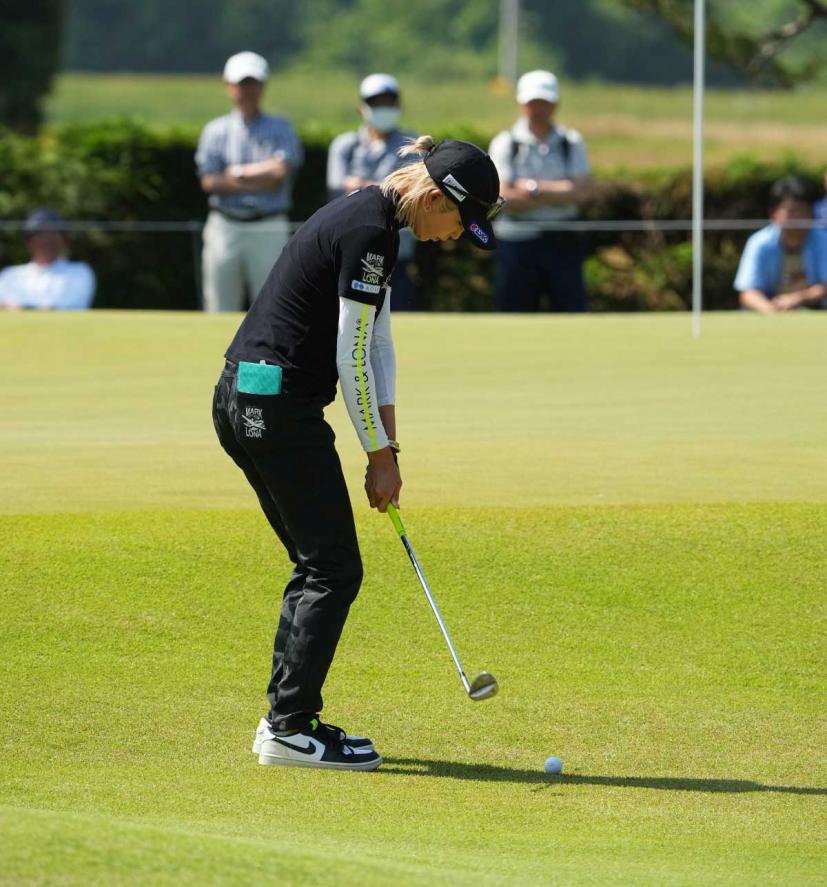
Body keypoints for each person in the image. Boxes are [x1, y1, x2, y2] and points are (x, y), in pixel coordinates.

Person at [212, 137, 502, 770]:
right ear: (435, 197)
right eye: (460, 221)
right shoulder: (370, 231)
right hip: (277, 406)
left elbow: (378, 344)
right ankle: (290, 729)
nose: (456, 236)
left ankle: (284, 723)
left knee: (320, 564)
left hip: (246, 399)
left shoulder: (375, 220)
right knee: (333, 568)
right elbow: (351, 357)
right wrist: (377, 459)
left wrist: (388, 446)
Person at [196, 51, 303, 313]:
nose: (248, 91)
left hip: (268, 224)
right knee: (220, 305)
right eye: (242, 84)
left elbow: (280, 172)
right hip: (225, 225)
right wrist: (260, 179)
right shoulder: (215, 130)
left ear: (263, 86)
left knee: (273, 306)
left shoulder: (281, 127)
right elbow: (210, 181)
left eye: (253, 84)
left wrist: (237, 174)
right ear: (228, 86)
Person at [488, 70, 592, 312]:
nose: (538, 109)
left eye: (544, 102)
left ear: (555, 104)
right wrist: (560, 193)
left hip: (563, 240)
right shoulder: (505, 142)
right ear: (521, 104)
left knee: (571, 313)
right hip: (516, 241)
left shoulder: (571, 141)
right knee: (513, 315)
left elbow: (582, 192)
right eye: (533, 102)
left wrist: (531, 190)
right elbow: (501, 197)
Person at [327, 73, 419, 310]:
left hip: (398, 247)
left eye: (389, 102)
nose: (383, 109)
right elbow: (337, 188)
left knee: (397, 310)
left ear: (399, 106)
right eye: (376, 103)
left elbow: (410, 192)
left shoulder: (413, 144)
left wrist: (359, 184)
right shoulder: (345, 145)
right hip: (351, 247)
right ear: (362, 108)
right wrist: (385, 186)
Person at [734, 176, 827, 313]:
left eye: (803, 210)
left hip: (814, 309)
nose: (798, 216)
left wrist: (798, 298)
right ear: (773, 213)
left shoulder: (823, 240)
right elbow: (747, 291)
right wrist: (768, 308)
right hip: (769, 310)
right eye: (791, 211)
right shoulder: (759, 243)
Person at [0, 209, 95, 311]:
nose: (47, 241)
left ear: (64, 241)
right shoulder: (9, 275)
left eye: (53, 235)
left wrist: (21, 308)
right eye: (41, 235)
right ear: (29, 242)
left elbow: (70, 307)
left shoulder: (80, 272)